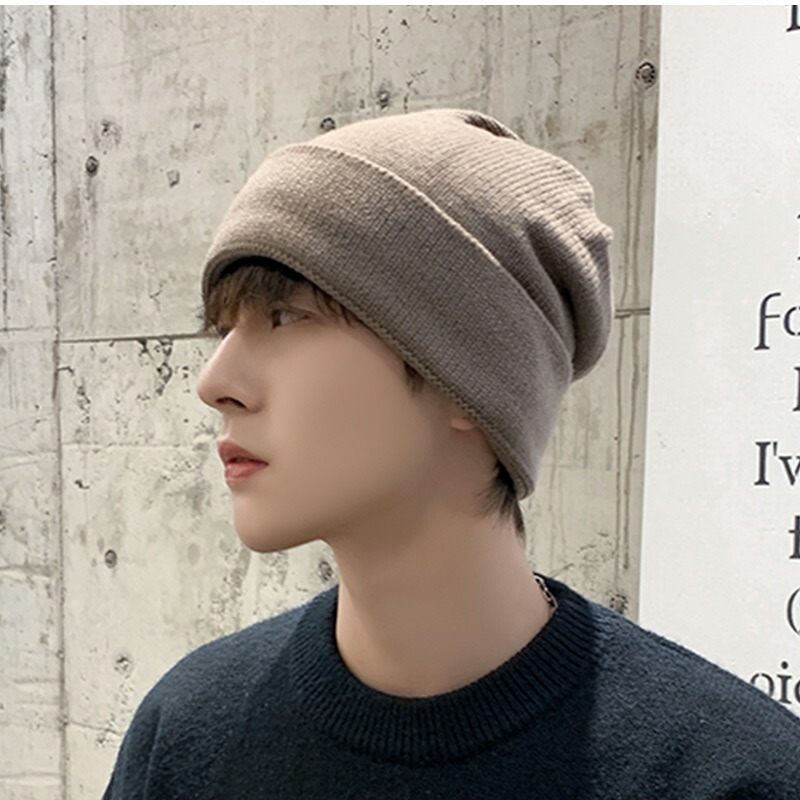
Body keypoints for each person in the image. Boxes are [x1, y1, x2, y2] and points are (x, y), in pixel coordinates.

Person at [101, 108, 800, 799]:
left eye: (285, 317)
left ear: (467, 378)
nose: (214, 383)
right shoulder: (188, 735)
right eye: (224, 329)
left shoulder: (734, 777)